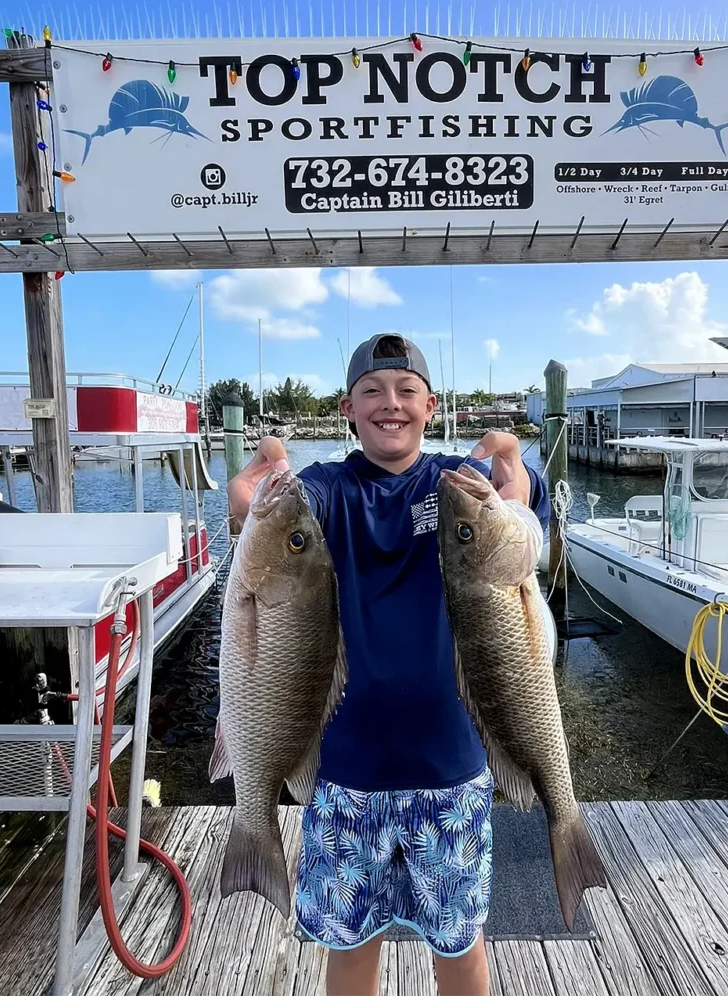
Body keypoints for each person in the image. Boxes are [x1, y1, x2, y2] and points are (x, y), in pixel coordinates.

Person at [226, 333, 551, 996]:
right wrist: (250, 503)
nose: (390, 404)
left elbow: (515, 514)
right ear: (347, 407)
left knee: (459, 945)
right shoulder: (326, 490)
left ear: (430, 406)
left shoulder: (457, 488)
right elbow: (288, 517)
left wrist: (520, 477)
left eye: (406, 391)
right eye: (372, 391)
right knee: (350, 944)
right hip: (345, 772)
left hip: (452, 769)